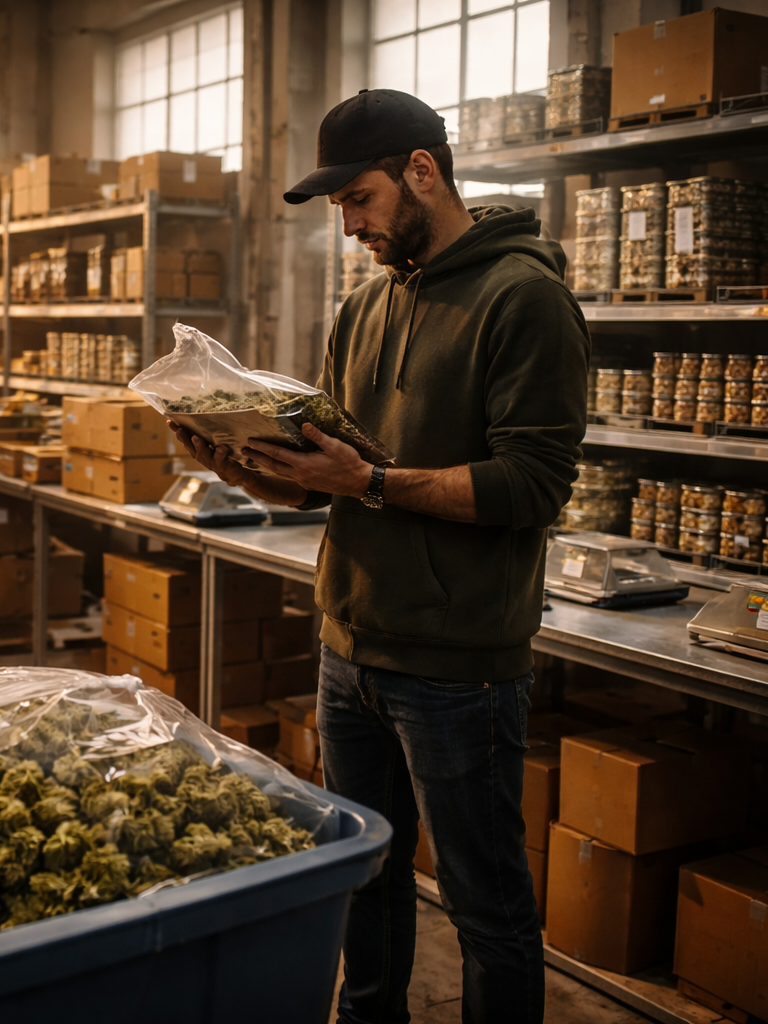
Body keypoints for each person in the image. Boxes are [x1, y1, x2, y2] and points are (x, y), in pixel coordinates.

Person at [172, 90, 588, 1024]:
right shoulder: (360, 311)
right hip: (350, 646)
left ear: (422, 171)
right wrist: (243, 464)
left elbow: (532, 487)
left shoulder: (525, 298)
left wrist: (366, 482)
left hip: (458, 666)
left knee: (486, 904)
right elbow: (331, 477)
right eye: (338, 210)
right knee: (364, 872)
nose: (349, 224)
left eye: (358, 199)